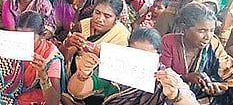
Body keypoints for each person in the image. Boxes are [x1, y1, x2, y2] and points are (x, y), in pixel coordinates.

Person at [160, 3, 233, 104]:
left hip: (207, 96)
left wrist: (217, 86)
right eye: (202, 31)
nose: (208, 36)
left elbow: (227, 70)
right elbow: (161, 78)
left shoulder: (213, 43)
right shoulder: (169, 42)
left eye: (211, 30)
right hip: (174, 96)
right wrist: (186, 77)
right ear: (183, 28)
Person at [67, 27, 198, 104]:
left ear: (158, 56)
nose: (139, 59)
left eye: (145, 56)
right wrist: (82, 75)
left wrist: (175, 95)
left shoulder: (168, 78)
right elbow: (75, 91)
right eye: (135, 53)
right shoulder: (116, 68)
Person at [0, 11, 65, 104]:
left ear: (43, 36)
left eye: (29, 39)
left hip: (33, 97)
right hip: (7, 93)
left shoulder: (50, 56)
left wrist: (44, 77)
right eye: (20, 36)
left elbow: (54, 101)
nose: (23, 42)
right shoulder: (10, 44)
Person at [155, 0, 219, 36]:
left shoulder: (211, 23)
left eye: (212, 8)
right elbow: (155, 41)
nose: (206, 11)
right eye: (203, 6)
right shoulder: (168, 16)